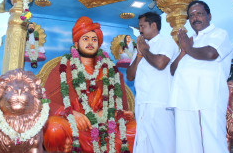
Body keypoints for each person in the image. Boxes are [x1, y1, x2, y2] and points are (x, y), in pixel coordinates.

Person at [43, 16, 136, 153]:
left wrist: (112, 113)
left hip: (106, 130)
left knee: (135, 130)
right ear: (76, 44)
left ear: (98, 45)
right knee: (54, 127)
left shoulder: (111, 71)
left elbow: (120, 108)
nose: (90, 42)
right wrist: (70, 113)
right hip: (75, 127)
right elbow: (45, 102)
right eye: (85, 39)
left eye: (94, 39)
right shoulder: (63, 68)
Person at [168, 0, 232, 153]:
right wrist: (184, 51)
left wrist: (188, 48)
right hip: (184, 100)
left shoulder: (219, 33)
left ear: (209, 16)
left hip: (207, 97)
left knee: (212, 143)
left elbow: (211, 53)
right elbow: (172, 69)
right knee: (186, 145)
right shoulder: (190, 41)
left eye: (199, 14)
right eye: (191, 16)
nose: (195, 18)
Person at [126, 12, 179, 153]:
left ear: (154, 25)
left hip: (160, 103)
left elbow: (161, 63)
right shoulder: (142, 47)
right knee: (144, 145)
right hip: (142, 103)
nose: (140, 30)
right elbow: (130, 76)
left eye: (142, 26)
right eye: (139, 27)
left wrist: (145, 51)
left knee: (164, 145)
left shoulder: (166, 42)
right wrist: (139, 54)